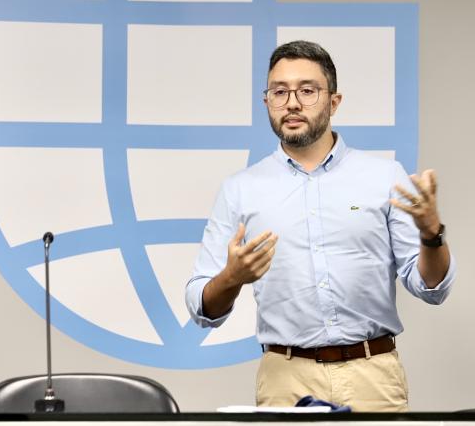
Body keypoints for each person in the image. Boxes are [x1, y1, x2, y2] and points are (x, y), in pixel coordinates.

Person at [185, 40, 457, 411]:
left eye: (307, 91)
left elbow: (431, 288)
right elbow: (202, 307)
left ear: (334, 101)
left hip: (372, 374)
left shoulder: (384, 177)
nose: (292, 103)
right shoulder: (240, 190)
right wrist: (231, 278)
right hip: (285, 379)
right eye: (279, 92)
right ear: (267, 102)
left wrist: (431, 235)